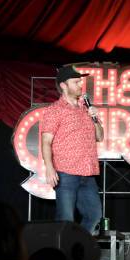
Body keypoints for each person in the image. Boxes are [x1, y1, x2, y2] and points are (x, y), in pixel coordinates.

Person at [40, 65, 103, 234]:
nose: (80, 85)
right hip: (66, 172)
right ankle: (63, 256)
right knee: (65, 219)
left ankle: (78, 250)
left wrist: (95, 118)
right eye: (75, 82)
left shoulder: (86, 109)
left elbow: (100, 136)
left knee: (95, 215)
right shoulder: (55, 110)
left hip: (88, 173)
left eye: (80, 81)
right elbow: (46, 141)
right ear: (63, 86)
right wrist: (49, 167)